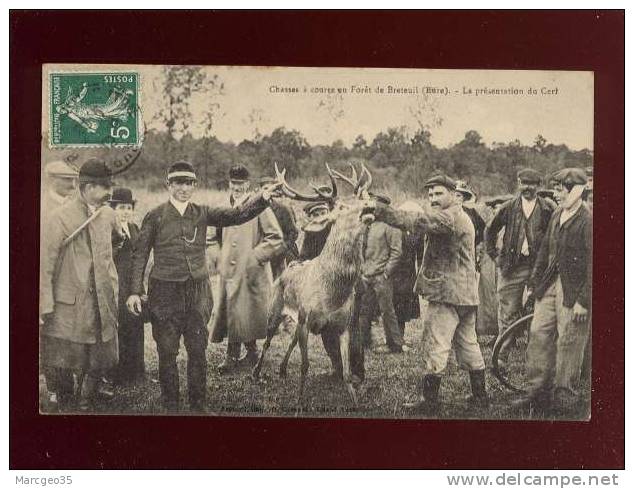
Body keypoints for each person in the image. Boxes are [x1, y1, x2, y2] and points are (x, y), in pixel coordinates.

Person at [127, 161, 280, 412]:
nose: (183, 188)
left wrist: (262, 198)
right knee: (167, 352)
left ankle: (198, 405)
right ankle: (171, 405)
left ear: (194, 186)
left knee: (198, 351)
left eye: (188, 183)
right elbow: (140, 255)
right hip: (164, 293)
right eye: (178, 183)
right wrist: (135, 291)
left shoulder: (202, 212)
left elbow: (236, 215)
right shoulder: (154, 216)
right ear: (169, 185)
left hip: (197, 293)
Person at [369, 174, 488, 413]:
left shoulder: (449, 216)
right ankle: (480, 396)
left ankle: (430, 402)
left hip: (446, 294)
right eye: (430, 194)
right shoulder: (460, 215)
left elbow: (418, 221)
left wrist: (379, 211)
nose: (433, 198)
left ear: (454, 195)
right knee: (468, 344)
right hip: (464, 295)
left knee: (436, 344)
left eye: (438, 193)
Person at [40, 158, 123, 412]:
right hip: (70, 304)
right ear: (87, 188)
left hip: (101, 300)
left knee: (100, 353)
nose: (110, 192)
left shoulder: (108, 214)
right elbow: (45, 263)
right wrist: (44, 304)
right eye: (104, 187)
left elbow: (117, 241)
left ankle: (86, 401)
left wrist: (105, 272)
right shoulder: (59, 218)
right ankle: (67, 402)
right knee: (65, 358)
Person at [512, 169, 592, 415]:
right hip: (548, 285)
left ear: (575, 190)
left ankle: (564, 396)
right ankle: (536, 392)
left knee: (569, 341)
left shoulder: (588, 220)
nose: (556, 194)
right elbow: (545, 252)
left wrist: (584, 301)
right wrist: (532, 284)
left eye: (560, 189)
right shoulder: (558, 214)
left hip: (573, 291)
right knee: (538, 333)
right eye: (556, 189)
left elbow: (596, 264)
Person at [211, 165, 284, 374]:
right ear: (229, 183)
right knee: (231, 311)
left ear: (248, 184)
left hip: (251, 269)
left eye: (241, 183)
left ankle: (244, 353)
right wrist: (218, 257)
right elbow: (210, 238)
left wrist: (255, 257)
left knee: (248, 311)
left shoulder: (260, 206)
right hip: (228, 270)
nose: (237, 187)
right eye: (234, 183)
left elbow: (275, 237)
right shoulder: (221, 206)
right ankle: (240, 354)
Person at [484, 169, 555, 368]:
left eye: (532, 183)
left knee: (539, 308)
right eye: (524, 183)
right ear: (518, 183)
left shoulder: (548, 208)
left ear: (538, 185)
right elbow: (490, 230)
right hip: (511, 267)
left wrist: (549, 261)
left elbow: (555, 236)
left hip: (538, 267)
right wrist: (495, 256)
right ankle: (501, 357)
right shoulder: (508, 207)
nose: (527, 187)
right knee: (507, 310)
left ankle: (536, 360)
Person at [40, 160, 79, 410]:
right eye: (67, 180)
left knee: (68, 336)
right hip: (49, 280)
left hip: (72, 282)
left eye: (74, 180)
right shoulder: (43, 207)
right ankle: (55, 389)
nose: (73, 185)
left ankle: (68, 389)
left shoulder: (75, 207)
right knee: (51, 337)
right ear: (53, 179)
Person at [357, 194, 406, 353]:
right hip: (366, 275)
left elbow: (397, 252)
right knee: (364, 310)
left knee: (387, 311)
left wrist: (386, 273)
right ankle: (363, 342)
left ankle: (395, 344)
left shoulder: (391, 226)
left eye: (376, 205)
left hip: (381, 277)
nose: (373, 207)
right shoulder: (367, 224)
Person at [109, 187, 145, 385]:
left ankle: (136, 372)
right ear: (113, 208)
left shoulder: (134, 229)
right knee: (119, 328)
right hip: (116, 285)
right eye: (121, 207)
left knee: (135, 326)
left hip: (133, 285)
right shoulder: (108, 230)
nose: (125, 212)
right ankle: (118, 374)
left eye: (128, 207)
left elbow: (140, 257)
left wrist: (139, 289)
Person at [391, 201, 425, 342]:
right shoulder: (395, 229)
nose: (409, 216)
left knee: (403, 306)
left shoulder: (418, 232)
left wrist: (420, 273)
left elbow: (420, 254)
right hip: (395, 271)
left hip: (408, 273)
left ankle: (400, 337)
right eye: (406, 214)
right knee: (393, 305)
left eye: (412, 214)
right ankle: (394, 338)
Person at [258, 175, 299, 279]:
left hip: (280, 256)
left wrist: (282, 249)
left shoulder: (283, 209)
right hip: (261, 257)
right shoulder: (255, 210)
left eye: (270, 189)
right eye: (265, 189)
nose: (268, 191)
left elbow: (293, 233)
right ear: (260, 190)